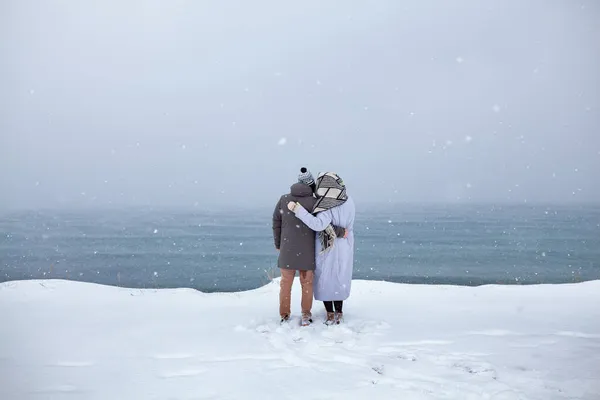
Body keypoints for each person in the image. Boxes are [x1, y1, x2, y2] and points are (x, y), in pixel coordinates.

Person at [272, 168, 345, 326]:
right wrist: (341, 231)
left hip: (287, 251)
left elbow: (276, 222)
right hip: (307, 252)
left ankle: (284, 315)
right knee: (307, 284)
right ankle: (306, 314)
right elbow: (325, 225)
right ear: (311, 185)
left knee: (286, 284)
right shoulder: (315, 203)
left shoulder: (284, 199)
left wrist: (278, 244)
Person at [287, 172, 355, 325]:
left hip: (327, 246)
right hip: (345, 244)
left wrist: (298, 210)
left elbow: (318, 225)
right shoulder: (349, 200)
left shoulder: (325, 204)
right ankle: (339, 312)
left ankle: (330, 314)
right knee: (340, 277)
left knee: (325, 278)